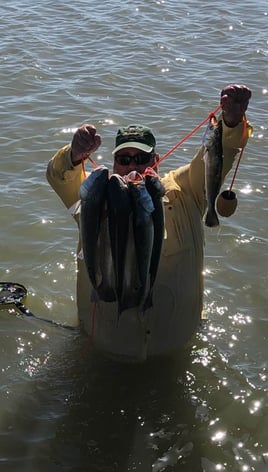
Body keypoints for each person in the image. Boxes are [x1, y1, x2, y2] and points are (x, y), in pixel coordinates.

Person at [46, 84, 252, 360]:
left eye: (142, 158)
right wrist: (73, 156)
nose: (133, 166)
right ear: (113, 162)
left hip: (175, 343)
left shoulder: (185, 190)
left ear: (155, 160)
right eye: (124, 158)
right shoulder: (95, 200)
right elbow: (60, 177)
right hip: (108, 344)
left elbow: (217, 158)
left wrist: (231, 123)